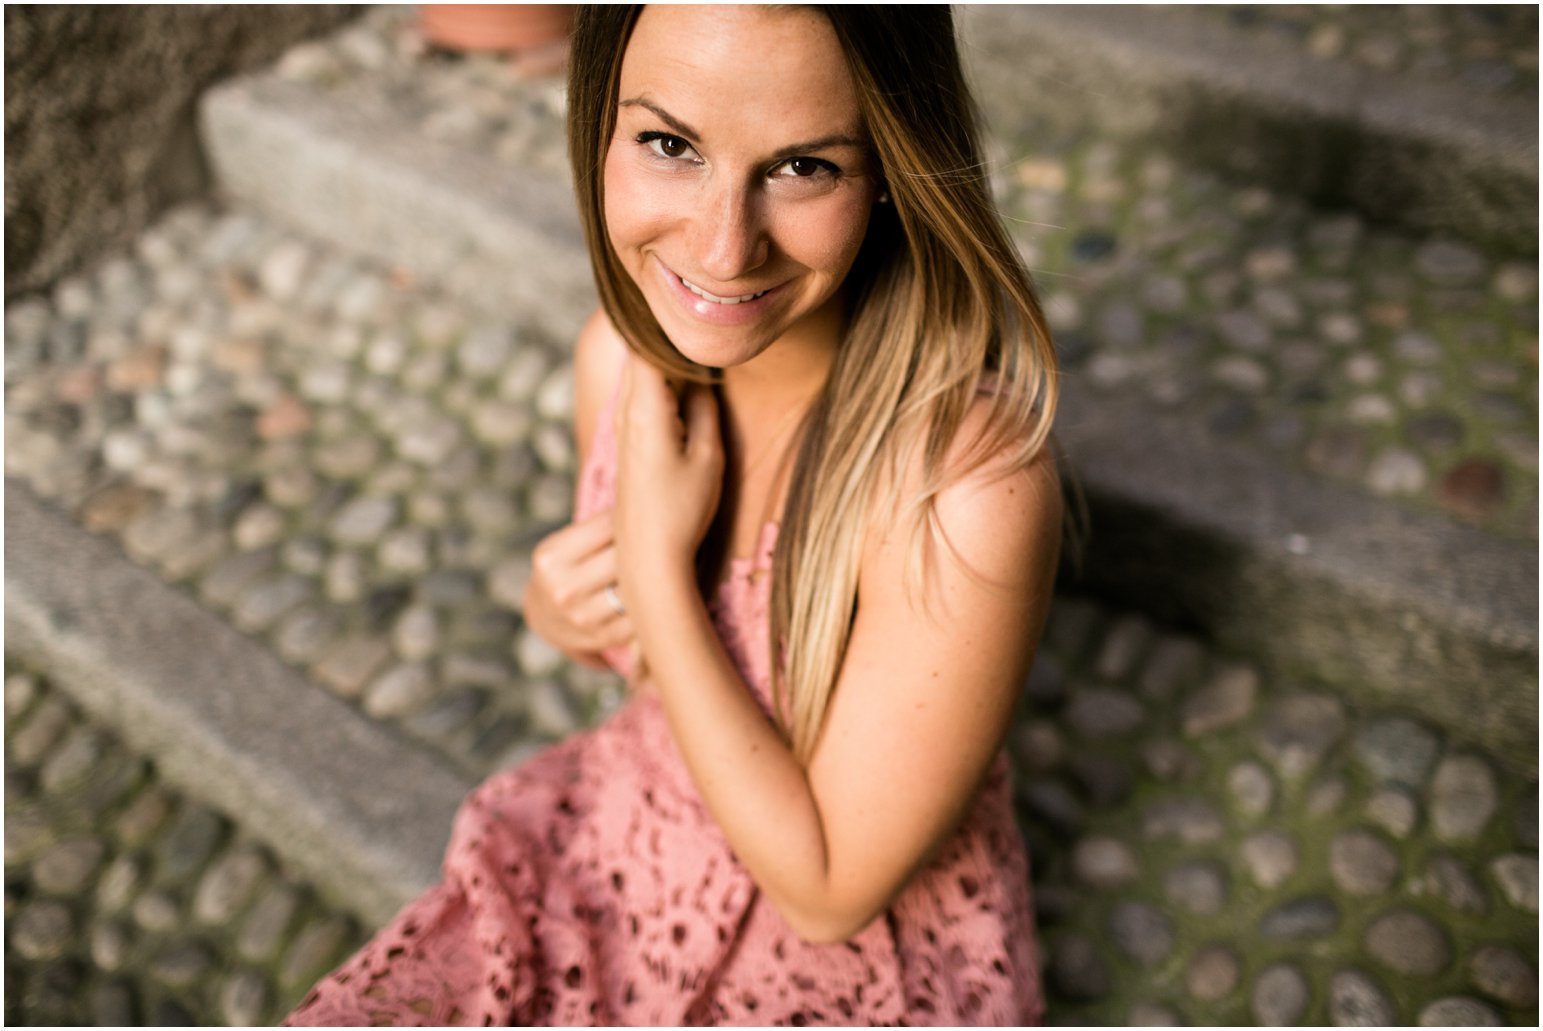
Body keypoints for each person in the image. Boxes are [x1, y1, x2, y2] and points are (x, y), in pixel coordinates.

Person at [287, 5, 1061, 1025]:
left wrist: (654, 574)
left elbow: (828, 889)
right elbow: (650, 670)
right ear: (596, 128)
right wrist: (567, 611)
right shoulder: (616, 362)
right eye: (670, 145)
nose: (724, 248)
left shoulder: (964, 490)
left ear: (889, 169)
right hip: (626, 851)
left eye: (804, 167)